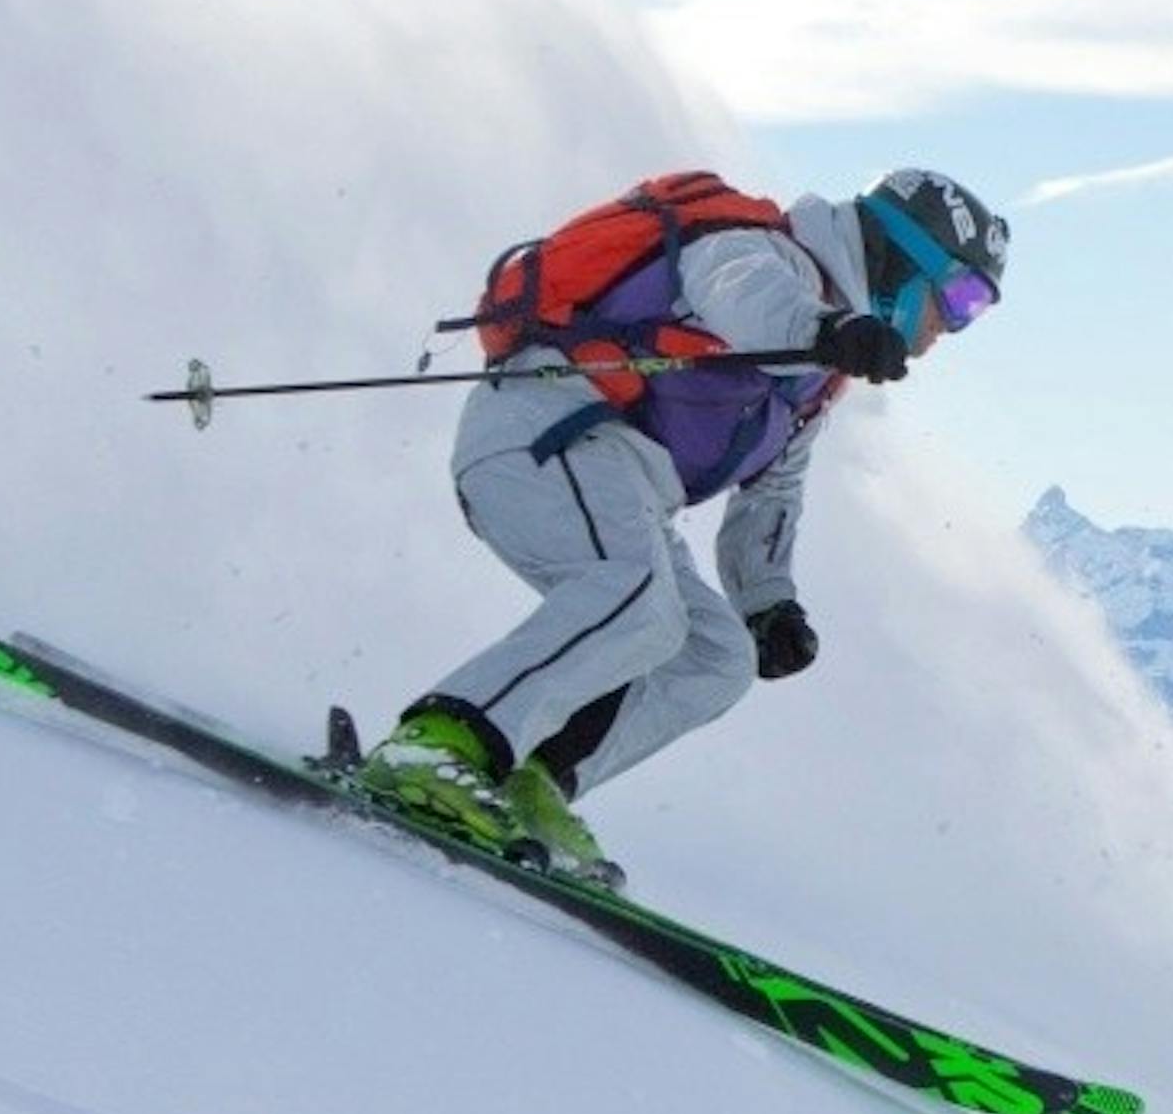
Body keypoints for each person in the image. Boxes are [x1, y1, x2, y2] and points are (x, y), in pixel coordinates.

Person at [356, 165, 1008, 884]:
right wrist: (824, 328)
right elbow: (737, 291)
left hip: (617, 482)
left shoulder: (817, 382)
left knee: (715, 653)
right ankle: (439, 744)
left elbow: (774, 492)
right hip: (545, 429)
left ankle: (530, 779)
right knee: (638, 597)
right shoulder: (762, 252)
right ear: (902, 262)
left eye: (972, 310)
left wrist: (768, 601)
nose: (952, 325)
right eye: (960, 296)